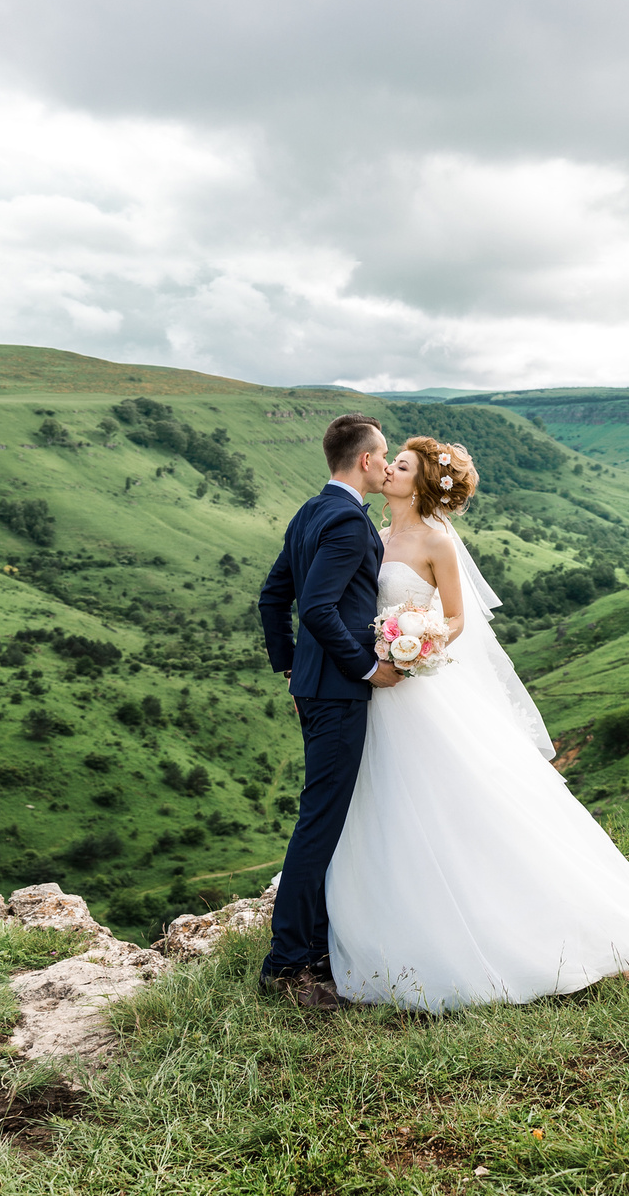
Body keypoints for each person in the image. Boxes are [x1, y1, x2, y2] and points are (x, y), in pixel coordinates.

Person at [320, 436, 629, 1011]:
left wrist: (411, 646)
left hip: (417, 687)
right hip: (375, 691)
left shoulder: (436, 539)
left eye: (401, 466)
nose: (388, 469)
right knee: (385, 801)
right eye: (391, 462)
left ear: (422, 485)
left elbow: (456, 619)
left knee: (455, 800)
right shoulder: (374, 534)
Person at [255, 413, 401, 1008]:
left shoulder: (310, 512)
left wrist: (291, 667)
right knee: (320, 820)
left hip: (316, 686)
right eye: (384, 454)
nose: (387, 463)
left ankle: (312, 943)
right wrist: (368, 668)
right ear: (365, 460)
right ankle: (287, 963)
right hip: (340, 691)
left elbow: (273, 598)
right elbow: (316, 607)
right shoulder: (345, 521)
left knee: (324, 814)